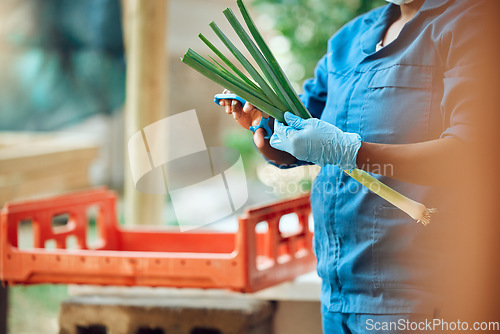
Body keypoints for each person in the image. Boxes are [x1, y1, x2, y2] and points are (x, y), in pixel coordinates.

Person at [219, 0, 493, 333]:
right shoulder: (348, 40)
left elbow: (469, 158)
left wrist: (350, 151)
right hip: (338, 291)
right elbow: (304, 139)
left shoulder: (475, 24)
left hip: (423, 297)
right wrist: (265, 129)